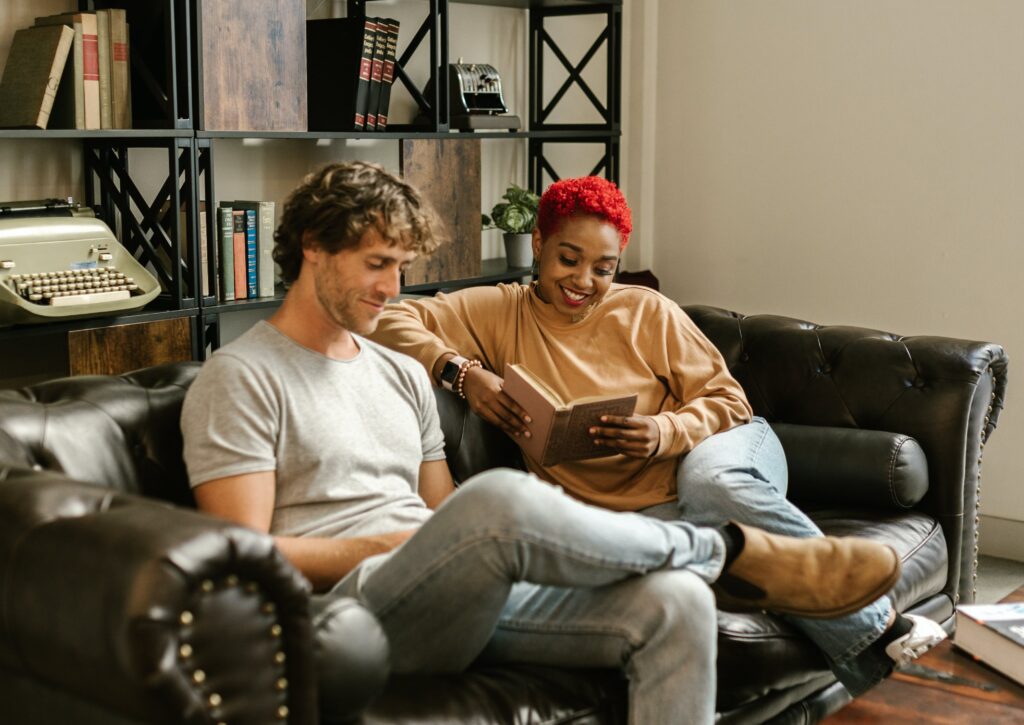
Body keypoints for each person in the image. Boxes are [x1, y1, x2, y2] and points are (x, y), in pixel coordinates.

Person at [181, 162, 902, 724]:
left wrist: (449, 539)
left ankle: (709, 561)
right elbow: (242, 558)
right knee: (497, 498)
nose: (393, 288)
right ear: (312, 247)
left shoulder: (398, 374)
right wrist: (414, 542)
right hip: (359, 610)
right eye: (377, 265)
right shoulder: (241, 376)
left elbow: (444, 511)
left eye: (401, 267)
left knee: (677, 603)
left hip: (457, 587)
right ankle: (729, 550)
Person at [369, 174, 948, 696]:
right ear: (539, 244)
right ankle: (876, 657)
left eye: (604, 268)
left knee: (709, 486)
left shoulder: (646, 311)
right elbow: (391, 316)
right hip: (644, 514)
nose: (584, 281)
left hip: (720, 448)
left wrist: (663, 431)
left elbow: (730, 401)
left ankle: (879, 629)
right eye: (569, 259)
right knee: (684, 560)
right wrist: (462, 373)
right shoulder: (500, 311)